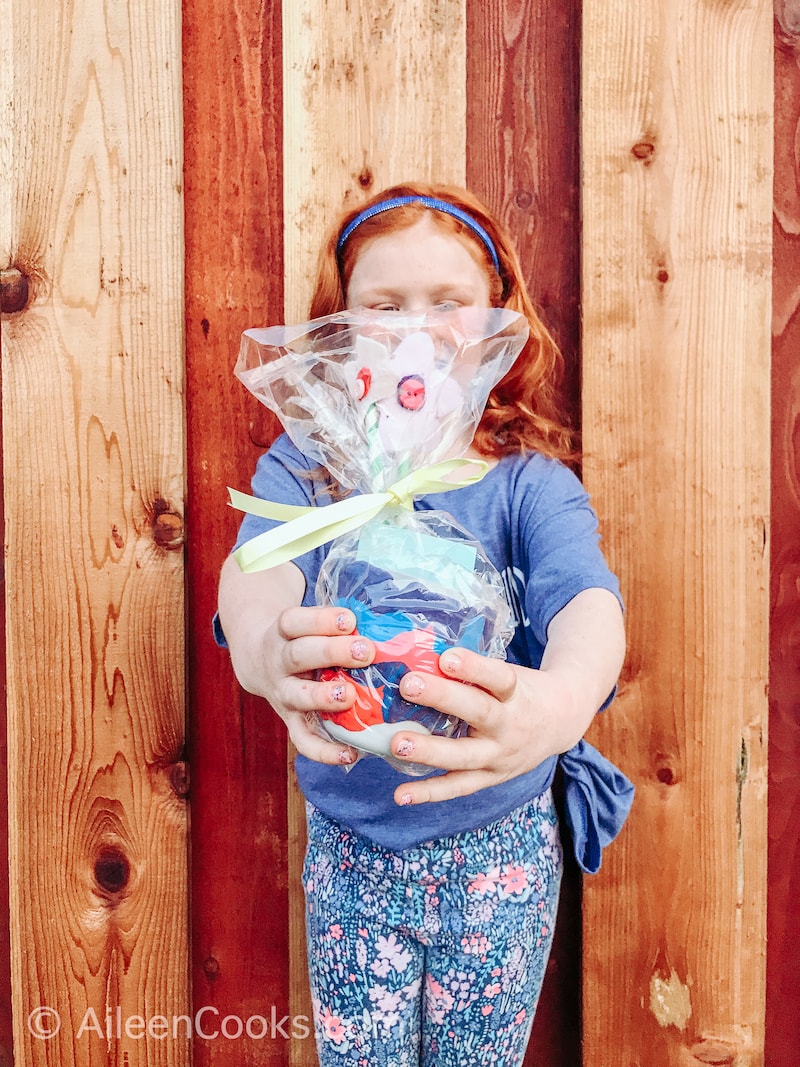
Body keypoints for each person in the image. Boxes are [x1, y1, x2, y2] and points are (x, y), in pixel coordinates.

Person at [217, 182, 632, 1066]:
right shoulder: (312, 470)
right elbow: (256, 567)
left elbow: (588, 599)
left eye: (449, 304)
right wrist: (262, 648)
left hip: (503, 848)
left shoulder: (527, 484)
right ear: (336, 329)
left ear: (496, 324)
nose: (417, 328)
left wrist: (558, 704)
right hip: (354, 849)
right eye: (382, 306)